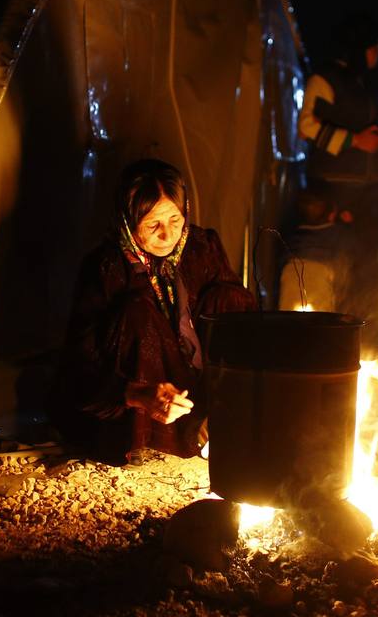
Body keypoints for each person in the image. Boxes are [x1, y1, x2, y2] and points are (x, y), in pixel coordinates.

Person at [49, 159, 256, 464]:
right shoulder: (107, 268)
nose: (168, 234)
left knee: (231, 298)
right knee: (137, 313)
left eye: (175, 219)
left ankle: (228, 417)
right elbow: (78, 371)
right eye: (152, 225)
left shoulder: (202, 246)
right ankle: (149, 440)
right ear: (128, 221)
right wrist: (136, 393)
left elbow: (240, 316)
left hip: (198, 385)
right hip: (142, 399)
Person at [298, 13, 378, 346]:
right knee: (335, 259)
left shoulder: (366, 84)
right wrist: (353, 140)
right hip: (336, 185)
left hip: (374, 187)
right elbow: (306, 125)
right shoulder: (325, 79)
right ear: (361, 47)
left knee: (368, 262)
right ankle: (326, 341)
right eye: (375, 46)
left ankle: (367, 341)